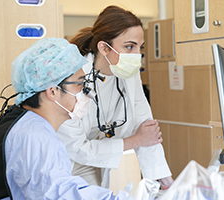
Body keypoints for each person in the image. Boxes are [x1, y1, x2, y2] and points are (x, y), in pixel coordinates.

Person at [0, 38, 132, 200]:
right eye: (79, 84)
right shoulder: (34, 134)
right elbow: (59, 193)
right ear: (53, 91)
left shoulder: (24, 120)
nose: (87, 92)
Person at [57, 5, 174, 189]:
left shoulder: (129, 73)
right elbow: (76, 148)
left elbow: (145, 126)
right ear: (104, 47)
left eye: (139, 47)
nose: (137, 55)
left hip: (107, 158)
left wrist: (163, 177)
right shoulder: (73, 78)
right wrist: (135, 140)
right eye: (129, 46)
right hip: (70, 162)